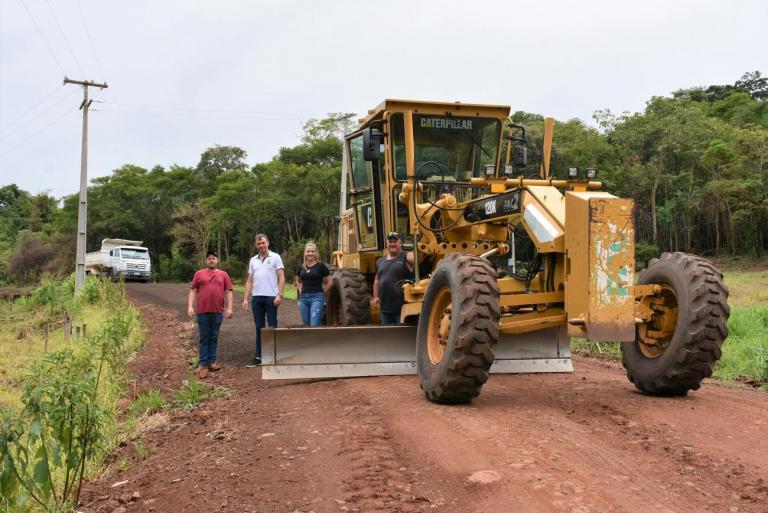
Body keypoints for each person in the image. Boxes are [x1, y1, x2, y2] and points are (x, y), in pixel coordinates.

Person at [187, 250, 233, 379]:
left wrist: (229, 308)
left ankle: (212, 362)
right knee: (204, 336)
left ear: (217, 260)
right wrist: (190, 306)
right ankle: (202, 363)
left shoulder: (223, 275)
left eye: (214, 258)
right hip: (202, 311)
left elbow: (229, 292)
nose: (211, 260)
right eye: (209, 259)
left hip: (217, 311)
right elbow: (193, 290)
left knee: (214, 336)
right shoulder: (199, 274)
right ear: (206, 261)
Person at [242, 234, 285, 366]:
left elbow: (282, 277)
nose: (261, 245)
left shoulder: (275, 257)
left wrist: (279, 294)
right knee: (259, 327)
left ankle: (273, 356)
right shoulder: (253, 260)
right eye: (259, 244)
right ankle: (260, 356)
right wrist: (245, 298)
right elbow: (250, 281)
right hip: (257, 298)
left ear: (268, 243)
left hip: (271, 297)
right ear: (256, 245)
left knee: (272, 326)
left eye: (263, 243)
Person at [372, 231, 414, 325]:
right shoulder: (380, 261)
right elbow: (377, 281)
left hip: (403, 309)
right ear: (386, 244)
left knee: (401, 336)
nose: (392, 244)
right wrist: (375, 297)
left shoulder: (406, 256)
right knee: (387, 336)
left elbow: (416, 258)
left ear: (400, 243)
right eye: (390, 242)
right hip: (385, 310)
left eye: (395, 241)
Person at [295, 241, 332, 327]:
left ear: (315, 253)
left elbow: (330, 282)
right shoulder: (301, 267)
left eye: (312, 251)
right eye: (308, 251)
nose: (310, 253)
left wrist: (323, 293)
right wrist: (300, 290)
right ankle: (308, 341)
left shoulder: (321, 266)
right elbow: (297, 281)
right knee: (306, 326)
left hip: (317, 298)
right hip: (304, 299)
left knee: (314, 326)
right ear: (305, 253)